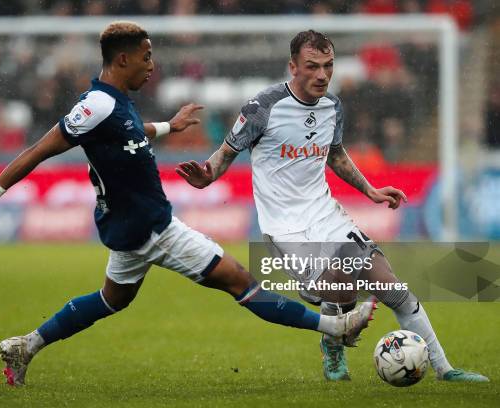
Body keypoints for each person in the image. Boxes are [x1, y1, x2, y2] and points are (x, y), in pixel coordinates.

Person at [0, 22, 375, 387]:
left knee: (112, 299)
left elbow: (124, 131)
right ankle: (335, 326)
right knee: (242, 283)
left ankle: (27, 345)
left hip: (127, 228)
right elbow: (39, 149)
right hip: (153, 228)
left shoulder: (115, 101)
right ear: (122, 60)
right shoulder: (95, 105)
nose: (151, 65)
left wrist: (168, 126)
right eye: (145, 58)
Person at [176, 30, 488, 383]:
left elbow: (335, 155)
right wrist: (207, 176)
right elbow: (226, 153)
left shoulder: (332, 106)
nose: (322, 75)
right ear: (293, 66)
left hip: (327, 216)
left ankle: (445, 369)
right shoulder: (263, 107)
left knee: (393, 289)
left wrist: (369, 190)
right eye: (312, 66)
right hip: (285, 227)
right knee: (340, 289)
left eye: (328, 66)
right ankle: (333, 342)